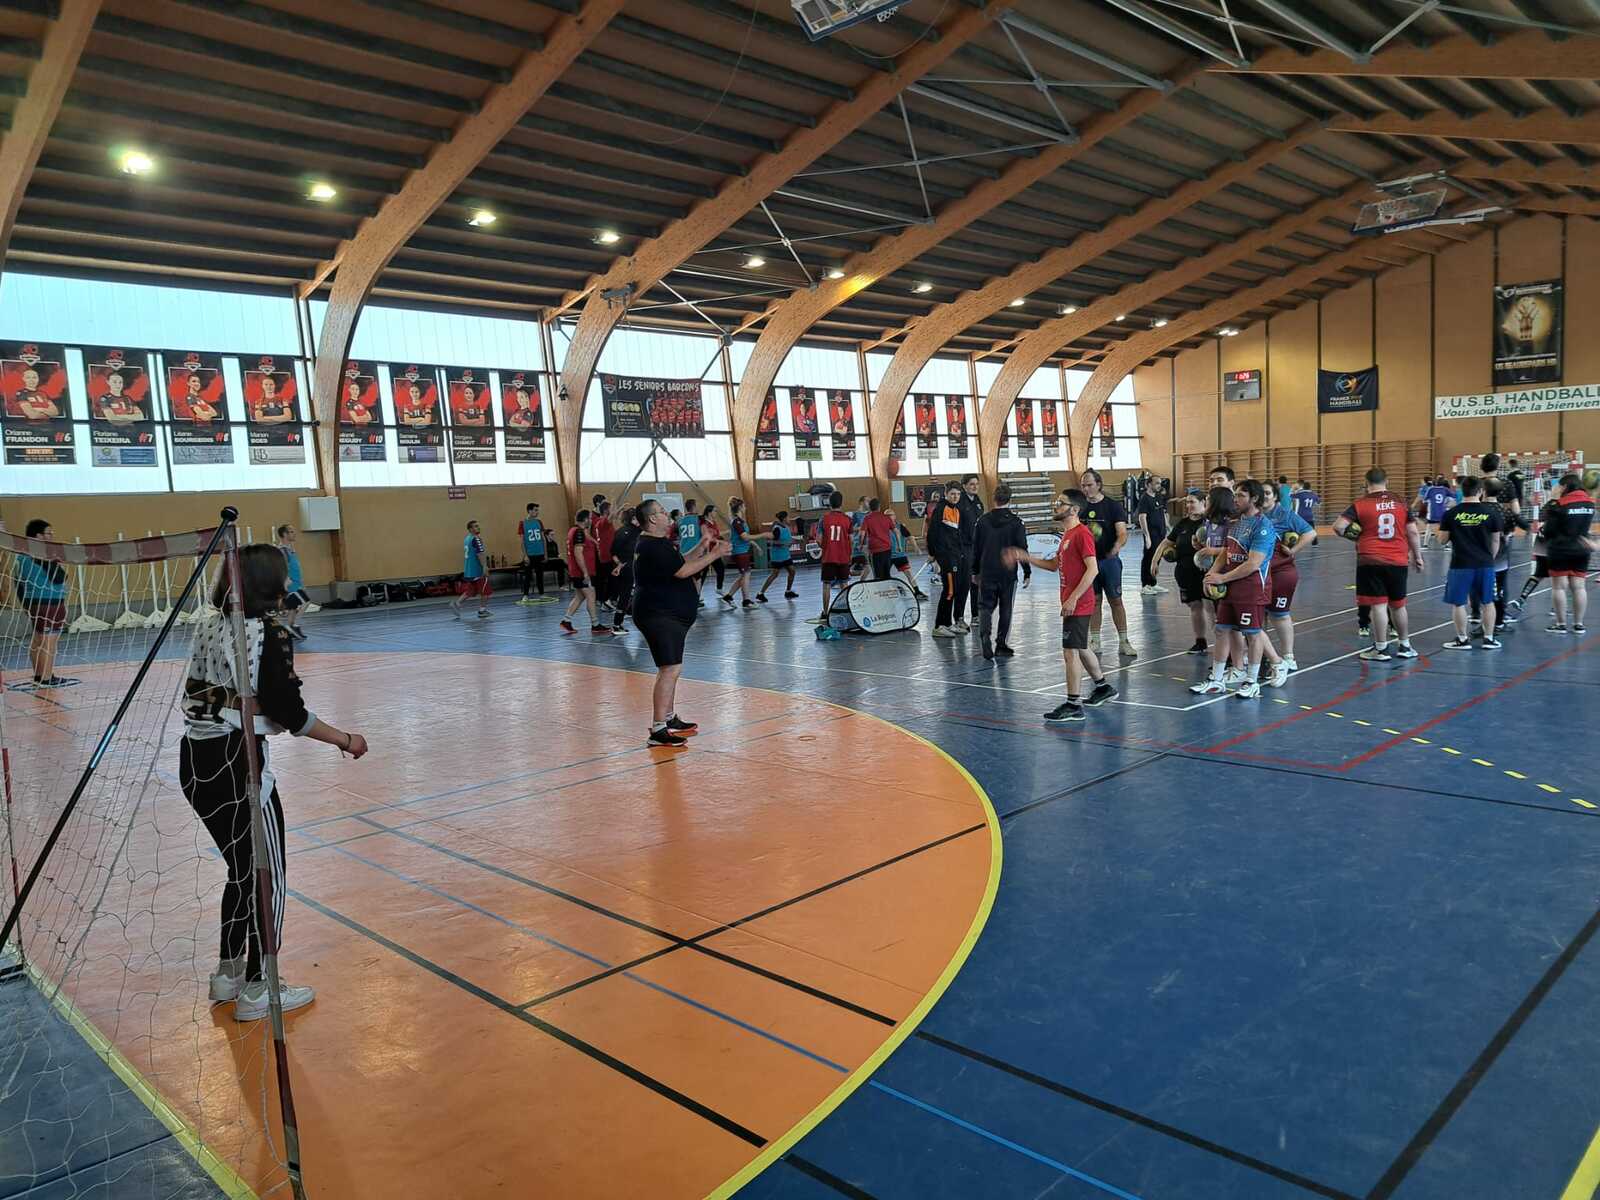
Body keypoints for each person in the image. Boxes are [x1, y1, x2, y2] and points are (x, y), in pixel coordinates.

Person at [180, 543, 368, 1021]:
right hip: (238, 764)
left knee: (241, 870)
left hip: (195, 761)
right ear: (271, 582)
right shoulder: (267, 632)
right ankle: (261, 986)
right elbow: (290, 713)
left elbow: (221, 693)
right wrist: (345, 739)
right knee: (268, 875)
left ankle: (228, 973)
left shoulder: (208, 624)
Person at [631, 500, 723, 747]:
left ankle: (669, 718)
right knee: (669, 669)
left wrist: (702, 545)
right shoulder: (651, 546)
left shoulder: (658, 543)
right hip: (658, 615)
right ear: (652, 519)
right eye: (661, 511)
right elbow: (683, 572)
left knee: (672, 668)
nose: (667, 514)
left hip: (667, 615)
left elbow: (680, 562)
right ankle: (658, 729)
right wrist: (714, 554)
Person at [1025, 491, 1116, 722]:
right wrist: (1027, 558)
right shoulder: (1067, 534)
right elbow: (1054, 565)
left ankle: (1073, 704)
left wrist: (1073, 598)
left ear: (1074, 509)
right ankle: (1103, 687)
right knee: (1081, 645)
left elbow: (1093, 569)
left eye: (1061, 503)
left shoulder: (1081, 534)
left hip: (1079, 603)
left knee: (1070, 651)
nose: (1056, 506)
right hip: (1072, 600)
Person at [1192, 479, 1283, 699]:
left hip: (1252, 588)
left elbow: (1253, 563)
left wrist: (1222, 577)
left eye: (1241, 495)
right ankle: (1216, 680)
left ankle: (1252, 681)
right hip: (1231, 586)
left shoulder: (1263, 527)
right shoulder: (1235, 522)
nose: (1235, 500)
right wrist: (1211, 575)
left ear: (1254, 498)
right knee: (1222, 629)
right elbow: (1226, 552)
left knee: (1252, 634)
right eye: (1235, 495)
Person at [1333, 467, 1424, 661]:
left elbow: (1339, 526)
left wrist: (1357, 537)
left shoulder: (1360, 504)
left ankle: (1381, 649)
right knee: (1398, 605)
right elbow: (1413, 532)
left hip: (1370, 559)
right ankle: (1405, 645)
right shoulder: (1400, 502)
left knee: (1378, 605)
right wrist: (1417, 556)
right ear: (1386, 481)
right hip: (1397, 559)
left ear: (1366, 483)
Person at [1437, 477, 1503, 650]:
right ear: (1481, 491)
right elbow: (1496, 541)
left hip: (1460, 564)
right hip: (1485, 564)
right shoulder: (1491, 513)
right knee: (1488, 601)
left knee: (1459, 603)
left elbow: (1442, 540)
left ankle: (1462, 639)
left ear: (1462, 491)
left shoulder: (1451, 514)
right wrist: (1489, 558)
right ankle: (1489, 639)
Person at [1258, 484, 1316, 670]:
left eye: (1267, 493)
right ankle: (1260, 654)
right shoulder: (1253, 515)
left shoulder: (1285, 515)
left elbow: (1310, 533)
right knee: (1258, 615)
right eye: (1260, 493)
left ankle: (1288, 657)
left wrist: (1293, 550)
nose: (1264, 496)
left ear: (1275, 497)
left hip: (1280, 574)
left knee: (1279, 614)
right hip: (1257, 574)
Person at [1079, 468, 1136, 658]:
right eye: (1083, 486)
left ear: (1099, 485)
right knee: (1094, 601)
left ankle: (1124, 642)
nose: (1086, 489)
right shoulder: (1079, 507)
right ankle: (1095, 641)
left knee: (1116, 600)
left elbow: (1122, 532)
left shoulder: (1113, 506)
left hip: (1108, 562)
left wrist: (1117, 546)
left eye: (1089, 485)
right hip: (1088, 564)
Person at [12, 519, 75, 687]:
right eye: (48, 533)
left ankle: (39, 675)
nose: (52, 536)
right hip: (51, 602)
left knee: (38, 639)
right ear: (38, 536)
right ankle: (47, 678)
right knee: (49, 642)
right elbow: (59, 577)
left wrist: (25, 605)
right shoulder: (42, 554)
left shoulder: (20, 556)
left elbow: (18, 583)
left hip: (33, 603)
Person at [972, 483, 1028, 660]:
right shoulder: (1016, 522)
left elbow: (976, 548)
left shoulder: (982, 521)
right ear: (1009, 500)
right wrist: (1027, 571)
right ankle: (1001, 643)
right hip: (1008, 572)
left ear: (993, 498)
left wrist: (974, 571)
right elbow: (1022, 548)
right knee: (1006, 607)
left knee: (985, 606)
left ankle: (984, 635)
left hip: (987, 569)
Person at [1150, 492, 1210, 655]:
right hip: (1185, 572)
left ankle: (1226, 648)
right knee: (1195, 606)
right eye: (1187, 502)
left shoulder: (1210, 522)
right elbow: (1166, 542)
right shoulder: (1183, 523)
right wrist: (1155, 561)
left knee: (1212, 608)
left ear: (1203, 502)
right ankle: (1200, 641)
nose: (1189, 505)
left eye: (1192, 502)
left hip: (1206, 573)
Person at [1542, 473, 1595, 634]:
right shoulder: (1590, 503)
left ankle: (1561, 624)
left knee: (1559, 588)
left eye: (1558, 485)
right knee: (1579, 587)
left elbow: (1548, 529)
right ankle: (1579, 624)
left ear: (1564, 486)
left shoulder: (1559, 504)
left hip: (1561, 549)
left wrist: (1552, 501)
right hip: (1582, 548)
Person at [1483, 479, 1529, 628]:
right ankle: (1499, 621)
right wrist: (1507, 533)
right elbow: (1525, 525)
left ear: (1483, 492)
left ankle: (1484, 621)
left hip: (1481, 557)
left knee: (1483, 592)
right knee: (1499, 590)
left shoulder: (1478, 510)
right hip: (1500, 557)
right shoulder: (1505, 512)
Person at [559, 510, 610, 637]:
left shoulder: (575, 530)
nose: (591, 521)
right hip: (581, 572)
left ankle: (566, 621)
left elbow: (586, 538)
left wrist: (595, 543)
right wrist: (585, 573)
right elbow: (578, 553)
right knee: (591, 596)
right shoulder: (579, 533)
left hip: (576, 571)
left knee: (580, 597)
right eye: (590, 518)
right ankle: (595, 624)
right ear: (586, 519)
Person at [927, 482, 967, 638]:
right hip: (946, 557)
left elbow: (955, 534)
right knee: (949, 591)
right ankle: (939, 626)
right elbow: (932, 532)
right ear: (946, 494)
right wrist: (932, 553)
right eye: (952, 494)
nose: (955, 497)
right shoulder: (941, 509)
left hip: (955, 555)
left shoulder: (956, 510)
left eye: (958, 494)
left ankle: (948, 624)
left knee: (954, 590)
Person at [812, 491, 853, 624]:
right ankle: (847, 610)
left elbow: (818, 539)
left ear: (829, 503)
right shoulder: (848, 519)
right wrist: (849, 553)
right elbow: (851, 539)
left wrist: (827, 547)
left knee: (826, 585)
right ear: (841, 503)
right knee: (844, 584)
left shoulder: (824, 519)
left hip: (829, 557)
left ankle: (825, 613)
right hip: (843, 556)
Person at [273, 524, 318, 640]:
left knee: (293, 607)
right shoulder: (282, 550)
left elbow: (294, 567)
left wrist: (301, 583)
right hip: (291, 585)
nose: (294, 533)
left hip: (297, 583)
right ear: (285, 534)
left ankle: (291, 628)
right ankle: (293, 625)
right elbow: (280, 568)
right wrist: (285, 584)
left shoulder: (290, 550)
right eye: (291, 531)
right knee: (305, 602)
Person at [450, 520, 492, 619]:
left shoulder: (467, 539)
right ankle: (482, 610)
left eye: (478, 526)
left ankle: (457, 603)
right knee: (486, 590)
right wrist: (484, 566)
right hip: (477, 570)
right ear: (470, 529)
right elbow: (480, 554)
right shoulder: (476, 539)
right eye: (476, 526)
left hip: (469, 571)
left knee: (471, 590)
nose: (478, 528)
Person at [608, 506, 641, 634]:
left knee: (625, 595)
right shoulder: (636, 532)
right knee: (626, 595)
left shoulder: (620, 531)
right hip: (630, 568)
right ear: (634, 518)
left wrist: (619, 565)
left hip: (625, 567)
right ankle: (617, 624)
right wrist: (622, 565)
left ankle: (619, 622)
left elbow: (613, 552)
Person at [720, 497, 756, 609]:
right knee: (746, 575)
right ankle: (746, 601)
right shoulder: (737, 521)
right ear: (740, 507)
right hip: (739, 552)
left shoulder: (740, 521)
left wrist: (755, 545)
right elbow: (744, 537)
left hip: (742, 551)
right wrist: (762, 535)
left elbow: (744, 537)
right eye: (744, 506)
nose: (745, 508)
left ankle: (729, 596)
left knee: (744, 576)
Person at [755, 511, 797, 602]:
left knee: (792, 571)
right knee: (775, 574)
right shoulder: (777, 529)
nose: (789, 519)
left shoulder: (786, 527)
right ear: (784, 518)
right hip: (777, 555)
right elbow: (772, 542)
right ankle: (760, 593)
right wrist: (784, 544)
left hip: (785, 555)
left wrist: (790, 542)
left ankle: (788, 591)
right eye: (788, 517)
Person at [1136, 483, 1168, 596]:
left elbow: (1163, 513)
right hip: (1152, 534)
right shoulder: (1144, 499)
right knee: (1148, 558)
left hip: (1161, 532)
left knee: (1157, 557)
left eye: (1160, 482)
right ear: (1149, 484)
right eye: (1157, 483)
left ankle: (1153, 583)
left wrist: (1168, 526)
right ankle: (1145, 585)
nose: (1159, 485)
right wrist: (1147, 536)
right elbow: (1142, 517)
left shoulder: (1158, 496)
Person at [517, 502, 553, 604]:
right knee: (528, 575)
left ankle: (541, 594)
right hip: (530, 554)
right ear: (529, 511)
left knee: (540, 574)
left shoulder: (539, 522)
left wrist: (545, 553)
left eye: (538, 510)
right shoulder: (522, 523)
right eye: (535, 510)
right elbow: (522, 541)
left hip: (540, 553)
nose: (537, 512)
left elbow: (543, 539)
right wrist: (525, 555)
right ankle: (525, 595)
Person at [887, 508, 925, 599]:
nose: (888, 517)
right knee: (884, 575)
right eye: (886, 516)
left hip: (900, 555)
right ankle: (894, 589)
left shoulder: (900, 526)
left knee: (908, 573)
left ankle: (917, 592)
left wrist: (916, 548)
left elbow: (910, 536)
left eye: (890, 515)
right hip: (887, 555)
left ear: (894, 516)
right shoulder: (882, 527)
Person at [675, 500, 704, 605]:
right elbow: (703, 534)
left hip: (683, 551)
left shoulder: (680, 520)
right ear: (694, 507)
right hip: (694, 551)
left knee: (687, 575)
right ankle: (696, 598)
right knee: (697, 577)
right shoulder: (698, 519)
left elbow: (678, 535)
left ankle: (687, 597)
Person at [862, 498, 895, 581]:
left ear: (870, 508)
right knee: (887, 573)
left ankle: (879, 585)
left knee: (877, 574)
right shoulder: (886, 517)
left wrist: (861, 544)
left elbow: (862, 533)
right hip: (887, 548)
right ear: (879, 507)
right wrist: (899, 545)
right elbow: (896, 531)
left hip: (875, 549)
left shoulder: (867, 518)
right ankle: (887, 586)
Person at [698, 503, 726, 599]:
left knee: (721, 569)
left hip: (714, 551)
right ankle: (697, 594)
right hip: (706, 552)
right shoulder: (704, 524)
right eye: (715, 511)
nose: (716, 513)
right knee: (703, 574)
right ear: (709, 512)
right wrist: (720, 541)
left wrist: (726, 533)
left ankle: (719, 588)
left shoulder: (714, 522)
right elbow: (707, 537)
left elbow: (716, 535)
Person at [592, 501, 616, 611]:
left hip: (608, 554)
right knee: (611, 580)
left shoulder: (604, 523)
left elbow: (613, 516)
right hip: (607, 555)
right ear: (606, 511)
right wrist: (616, 506)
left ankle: (607, 601)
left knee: (611, 579)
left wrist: (619, 508)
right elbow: (611, 517)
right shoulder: (602, 522)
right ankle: (606, 601)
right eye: (611, 509)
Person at [1418, 476, 1454, 548]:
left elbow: (1424, 499)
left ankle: (1425, 543)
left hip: (1433, 514)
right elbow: (1453, 496)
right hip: (1442, 513)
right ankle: (1446, 544)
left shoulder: (1431, 489)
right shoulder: (1445, 489)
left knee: (1429, 528)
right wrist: (1447, 501)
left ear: (1435, 482)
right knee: (1445, 528)